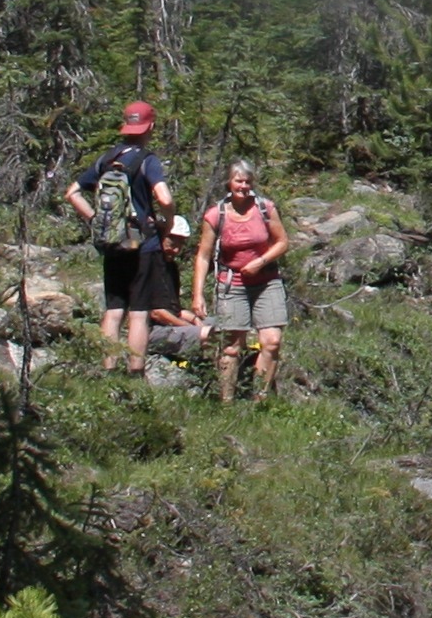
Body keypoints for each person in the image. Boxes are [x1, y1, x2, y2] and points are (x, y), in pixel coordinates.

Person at [58, 99, 186, 373]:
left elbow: (72, 193)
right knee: (139, 312)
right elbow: (164, 197)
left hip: (113, 243)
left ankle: (108, 368)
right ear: (150, 126)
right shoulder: (147, 160)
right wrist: (168, 222)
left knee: (114, 310)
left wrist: (98, 221)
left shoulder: (107, 159)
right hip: (143, 244)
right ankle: (135, 371)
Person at [194, 159, 293, 403]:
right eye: (239, 181)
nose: (244, 186)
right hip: (232, 284)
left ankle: (259, 399)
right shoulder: (216, 215)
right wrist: (197, 294)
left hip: (266, 281)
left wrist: (260, 262)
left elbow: (282, 242)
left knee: (272, 342)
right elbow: (204, 256)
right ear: (229, 182)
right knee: (230, 347)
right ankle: (227, 402)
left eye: (248, 181)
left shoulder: (265, 208)